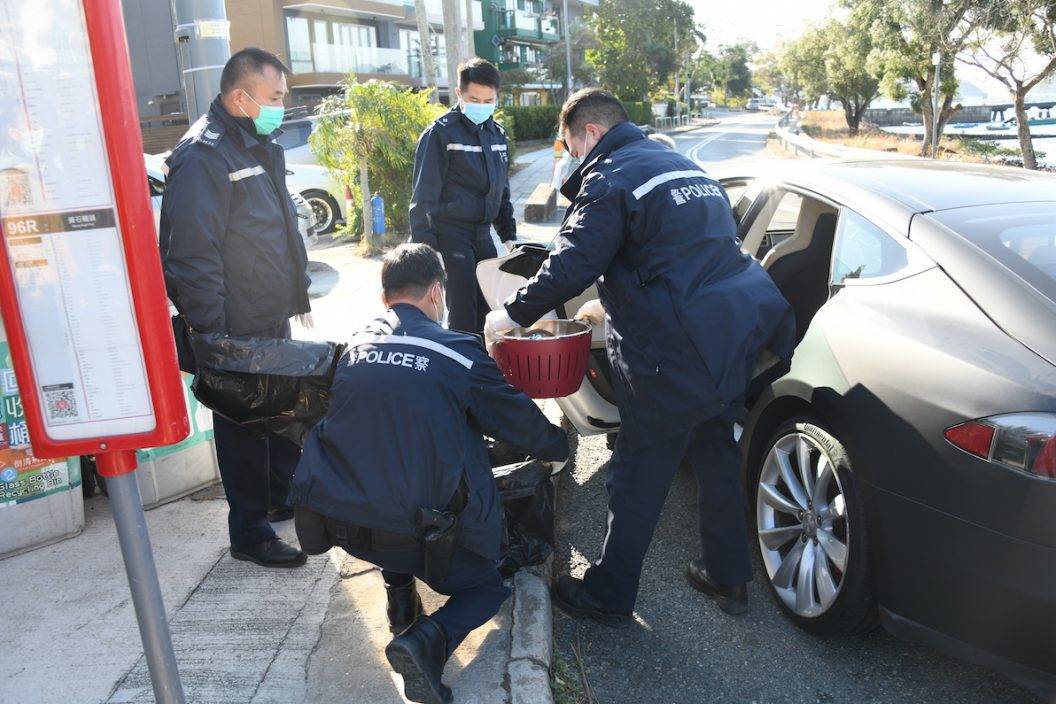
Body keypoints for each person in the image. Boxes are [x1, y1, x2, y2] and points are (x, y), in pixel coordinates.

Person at [484, 89, 796, 622]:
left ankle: (608, 595)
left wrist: (508, 314)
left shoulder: (610, 177)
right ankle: (729, 579)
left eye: (570, 146)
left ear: (590, 135)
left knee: (636, 473)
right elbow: (679, 255)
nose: (571, 157)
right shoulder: (686, 167)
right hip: (731, 339)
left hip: (671, 355)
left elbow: (574, 259)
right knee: (716, 456)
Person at [289, 244, 568, 704]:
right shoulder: (458, 352)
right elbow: (516, 420)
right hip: (421, 530)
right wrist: (558, 448)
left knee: (390, 489)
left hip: (343, 521)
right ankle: (424, 641)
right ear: (437, 291)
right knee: (485, 590)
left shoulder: (353, 347)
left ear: (385, 299)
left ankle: (401, 601)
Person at [159, 47, 311, 568]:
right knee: (243, 425)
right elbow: (190, 254)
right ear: (239, 95)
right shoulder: (204, 155)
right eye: (274, 97)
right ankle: (249, 532)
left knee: (276, 407)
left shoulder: (258, 141)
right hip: (233, 322)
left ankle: (276, 496)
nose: (280, 107)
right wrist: (213, 332)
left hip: (268, 309)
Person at [409, 58, 516, 335]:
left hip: (483, 236)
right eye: (474, 99)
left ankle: (485, 367)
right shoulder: (440, 134)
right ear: (459, 94)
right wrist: (428, 250)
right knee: (464, 312)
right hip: (451, 235)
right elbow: (423, 197)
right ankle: (462, 373)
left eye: (488, 100)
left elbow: (501, 190)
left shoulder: (497, 134)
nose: (481, 106)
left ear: (496, 98)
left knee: (490, 306)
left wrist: (508, 234)